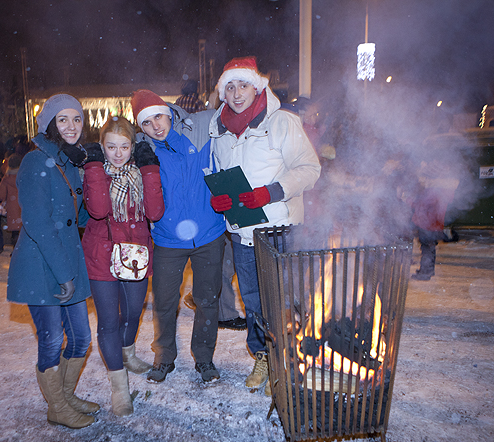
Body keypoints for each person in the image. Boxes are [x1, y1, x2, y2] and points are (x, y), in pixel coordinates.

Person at [209, 57, 321, 395]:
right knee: (253, 301)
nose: (236, 93)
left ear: (257, 87)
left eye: (243, 85)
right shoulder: (219, 128)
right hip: (243, 232)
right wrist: (220, 201)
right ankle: (264, 357)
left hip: (279, 228)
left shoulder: (281, 121)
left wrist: (272, 192)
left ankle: (289, 360)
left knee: (285, 299)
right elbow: (219, 173)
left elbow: (310, 169)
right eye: (230, 86)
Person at [7, 94, 97, 429]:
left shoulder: (69, 161)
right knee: (51, 339)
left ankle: (65, 396)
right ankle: (57, 407)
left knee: (81, 338)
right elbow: (39, 223)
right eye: (63, 119)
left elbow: (79, 215)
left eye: (77, 119)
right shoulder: (36, 161)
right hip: (41, 264)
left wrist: (98, 184)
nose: (72, 126)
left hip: (66, 260)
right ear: (49, 124)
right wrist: (64, 274)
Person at [131, 88, 227, 384]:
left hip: (209, 233)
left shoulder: (198, 128)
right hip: (168, 238)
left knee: (207, 299)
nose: (156, 126)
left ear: (169, 113)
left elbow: (230, 108)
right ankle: (164, 357)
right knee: (164, 301)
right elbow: (114, 153)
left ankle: (204, 357)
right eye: (147, 123)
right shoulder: (143, 150)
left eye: (158, 117)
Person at [81, 116, 164, 415]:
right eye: (111, 146)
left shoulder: (141, 174)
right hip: (101, 254)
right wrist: (93, 167)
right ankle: (119, 386)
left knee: (132, 313)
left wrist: (150, 169)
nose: (118, 154)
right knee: (108, 322)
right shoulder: (94, 172)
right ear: (101, 146)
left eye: (125, 146)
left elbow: (155, 212)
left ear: (133, 146)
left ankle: (127, 353)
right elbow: (99, 210)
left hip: (135, 254)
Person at [0, 138, 29, 248]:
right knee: (25, 230)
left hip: (12, 208)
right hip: (24, 206)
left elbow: (0, 195)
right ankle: (25, 250)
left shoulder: (6, 179)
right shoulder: (25, 178)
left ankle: (16, 249)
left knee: (15, 231)